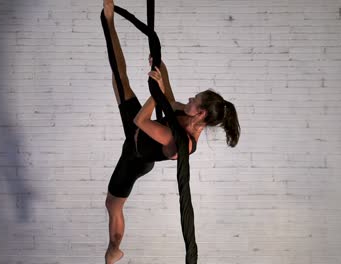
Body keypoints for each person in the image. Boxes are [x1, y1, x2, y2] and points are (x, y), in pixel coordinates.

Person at [102, 0, 240, 263]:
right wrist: (159, 65)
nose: (189, 99)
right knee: (118, 76)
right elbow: (171, 99)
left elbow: (142, 121)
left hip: (136, 156)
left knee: (112, 205)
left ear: (200, 114)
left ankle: (112, 250)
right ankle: (108, 18)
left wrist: (156, 93)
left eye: (194, 100)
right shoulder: (186, 114)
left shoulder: (183, 142)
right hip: (139, 134)